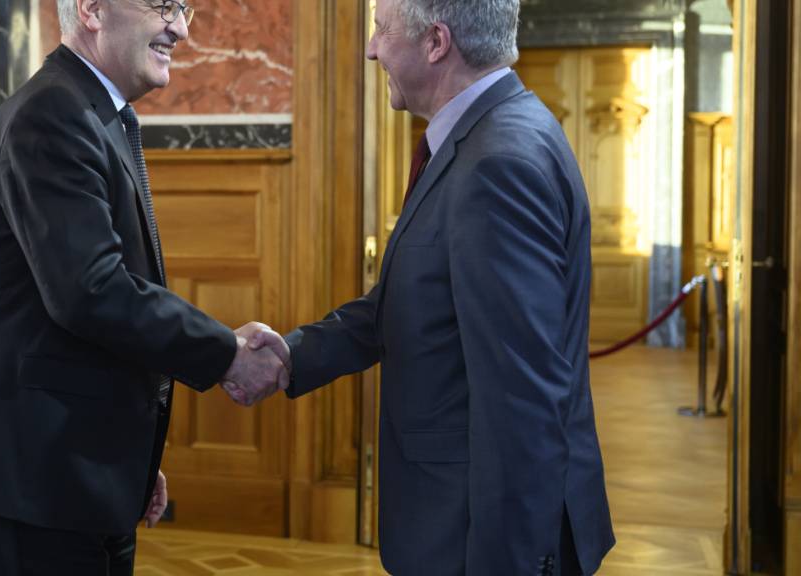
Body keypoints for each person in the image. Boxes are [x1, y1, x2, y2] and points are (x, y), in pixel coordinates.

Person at [243, 0, 615, 573]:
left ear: (436, 42)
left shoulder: (498, 163)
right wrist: (292, 353)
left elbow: (523, 400)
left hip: (474, 538)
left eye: (381, 30)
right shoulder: (488, 134)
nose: (371, 49)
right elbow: (415, 304)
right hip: (454, 523)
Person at [0, 0, 286, 573]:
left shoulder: (89, 110)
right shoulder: (52, 113)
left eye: (185, 6)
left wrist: (130, 454)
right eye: (164, 5)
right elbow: (91, 291)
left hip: (76, 456)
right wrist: (226, 355)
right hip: (36, 466)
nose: (183, 28)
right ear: (91, 9)